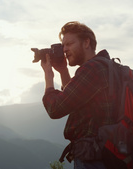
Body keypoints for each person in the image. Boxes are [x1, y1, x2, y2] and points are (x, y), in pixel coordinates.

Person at [41, 21, 119, 169]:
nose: (64, 50)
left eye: (69, 44)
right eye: (63, 45)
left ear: (86, 43)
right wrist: (63, 71)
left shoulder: (92, 69)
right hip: (107, 155)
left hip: (94, 159)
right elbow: (74, 100)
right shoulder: (106, 66)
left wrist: (48, 77)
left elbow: (55, 108)